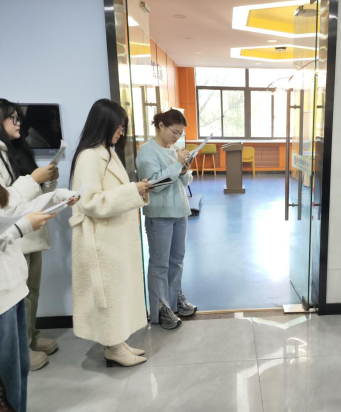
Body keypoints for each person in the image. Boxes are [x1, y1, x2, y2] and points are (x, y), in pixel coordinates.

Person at [69, 99, 151, 368]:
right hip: (102, 239)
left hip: (114, 235)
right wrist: (133, 190)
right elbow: (90, 202)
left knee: (118, 291)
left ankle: (117, 342)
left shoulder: (106, 152)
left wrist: (136, 190)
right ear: (103, 123)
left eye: (123, 127)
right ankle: (113, 347)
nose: (121, 131)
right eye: (118, 126)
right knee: (110, 294)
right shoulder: (90, 156)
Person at [0, 183, 78, 412]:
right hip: (2, 299)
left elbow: (16, 207)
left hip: (13, 290)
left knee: (18, 370)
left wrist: (56, 198)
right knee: (7, 378)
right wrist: (21, 228)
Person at [0, 98, 62, 371]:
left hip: (30, 232)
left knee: (32, 291)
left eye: (19, 118)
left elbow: (27, 192)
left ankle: (31, 336)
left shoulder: (15, 149)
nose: (18, 123)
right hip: (13, 236)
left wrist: (47, 181)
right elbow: (7, 203)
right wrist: (34, 179)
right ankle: (21, 347)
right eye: (12, 118)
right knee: (20, 295)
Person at [136, 109, 197, 330]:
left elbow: (184, 182)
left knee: (177, 260)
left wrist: (184, 170)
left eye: (180, 134)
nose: (177, 137)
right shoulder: (146, 151)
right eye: (174, 132)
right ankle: (160, 309)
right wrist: (176, 165)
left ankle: (174, 299)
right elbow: (154, 185)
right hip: (160, 214)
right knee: (159, 264)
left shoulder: (173, 150)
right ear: (161, 125)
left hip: (179, 211)